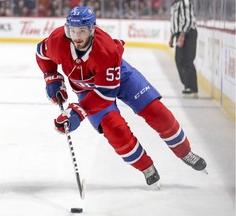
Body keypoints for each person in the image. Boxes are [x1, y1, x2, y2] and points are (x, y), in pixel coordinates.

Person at [36, 6, 207, 186]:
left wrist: (78, 112)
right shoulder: (57, 40)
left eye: (82, 31)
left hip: (122, 78)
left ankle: (185, 152)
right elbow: (41, 54)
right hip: (87, 91)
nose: (77, 37)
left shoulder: (106, 49)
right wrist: (51, 77)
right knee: (115, 130)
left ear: (92, 29)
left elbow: (104, 95)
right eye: (73, 31)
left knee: (157, 113)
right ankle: (146, 168)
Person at [169, 0, 198, 98]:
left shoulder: (185, 2)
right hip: (180, 34)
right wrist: (172, 36)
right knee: (179, 60)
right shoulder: (174, 4)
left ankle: (192, 88)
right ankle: (187, 85)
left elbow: (188, 20)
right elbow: (175, 22)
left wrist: (182, 35)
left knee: (187, 60)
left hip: (188, 33)